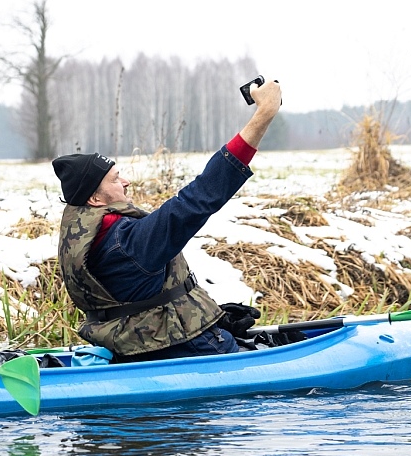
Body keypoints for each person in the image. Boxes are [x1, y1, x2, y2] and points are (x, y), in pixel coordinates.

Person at [52, 78, 283, 362]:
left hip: (135, 346)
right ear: (95, 200)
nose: (126, 182)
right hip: (184, 346)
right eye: (114, 179)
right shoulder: (127, 243)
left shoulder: (83, 234)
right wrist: (264, 114)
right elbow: (199, 198)